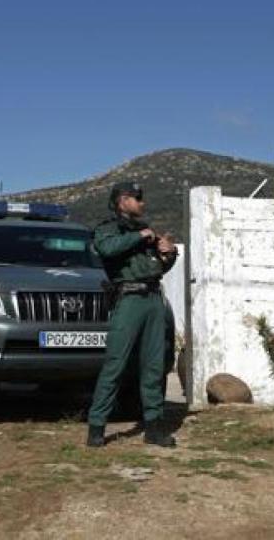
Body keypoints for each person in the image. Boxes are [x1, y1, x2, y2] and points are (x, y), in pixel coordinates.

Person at [86, 181, 179, 448]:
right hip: (128, 299)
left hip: (153, 298)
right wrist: (140, 237)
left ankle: (154, 426)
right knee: (115, 363)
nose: (142, 203)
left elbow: (157, 268)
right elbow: (107, 249)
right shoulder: (108, 230)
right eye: (138, 198)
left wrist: (168, 254)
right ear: (123, 200)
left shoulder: (143, 230)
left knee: (154, 366)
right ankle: (96, 427)